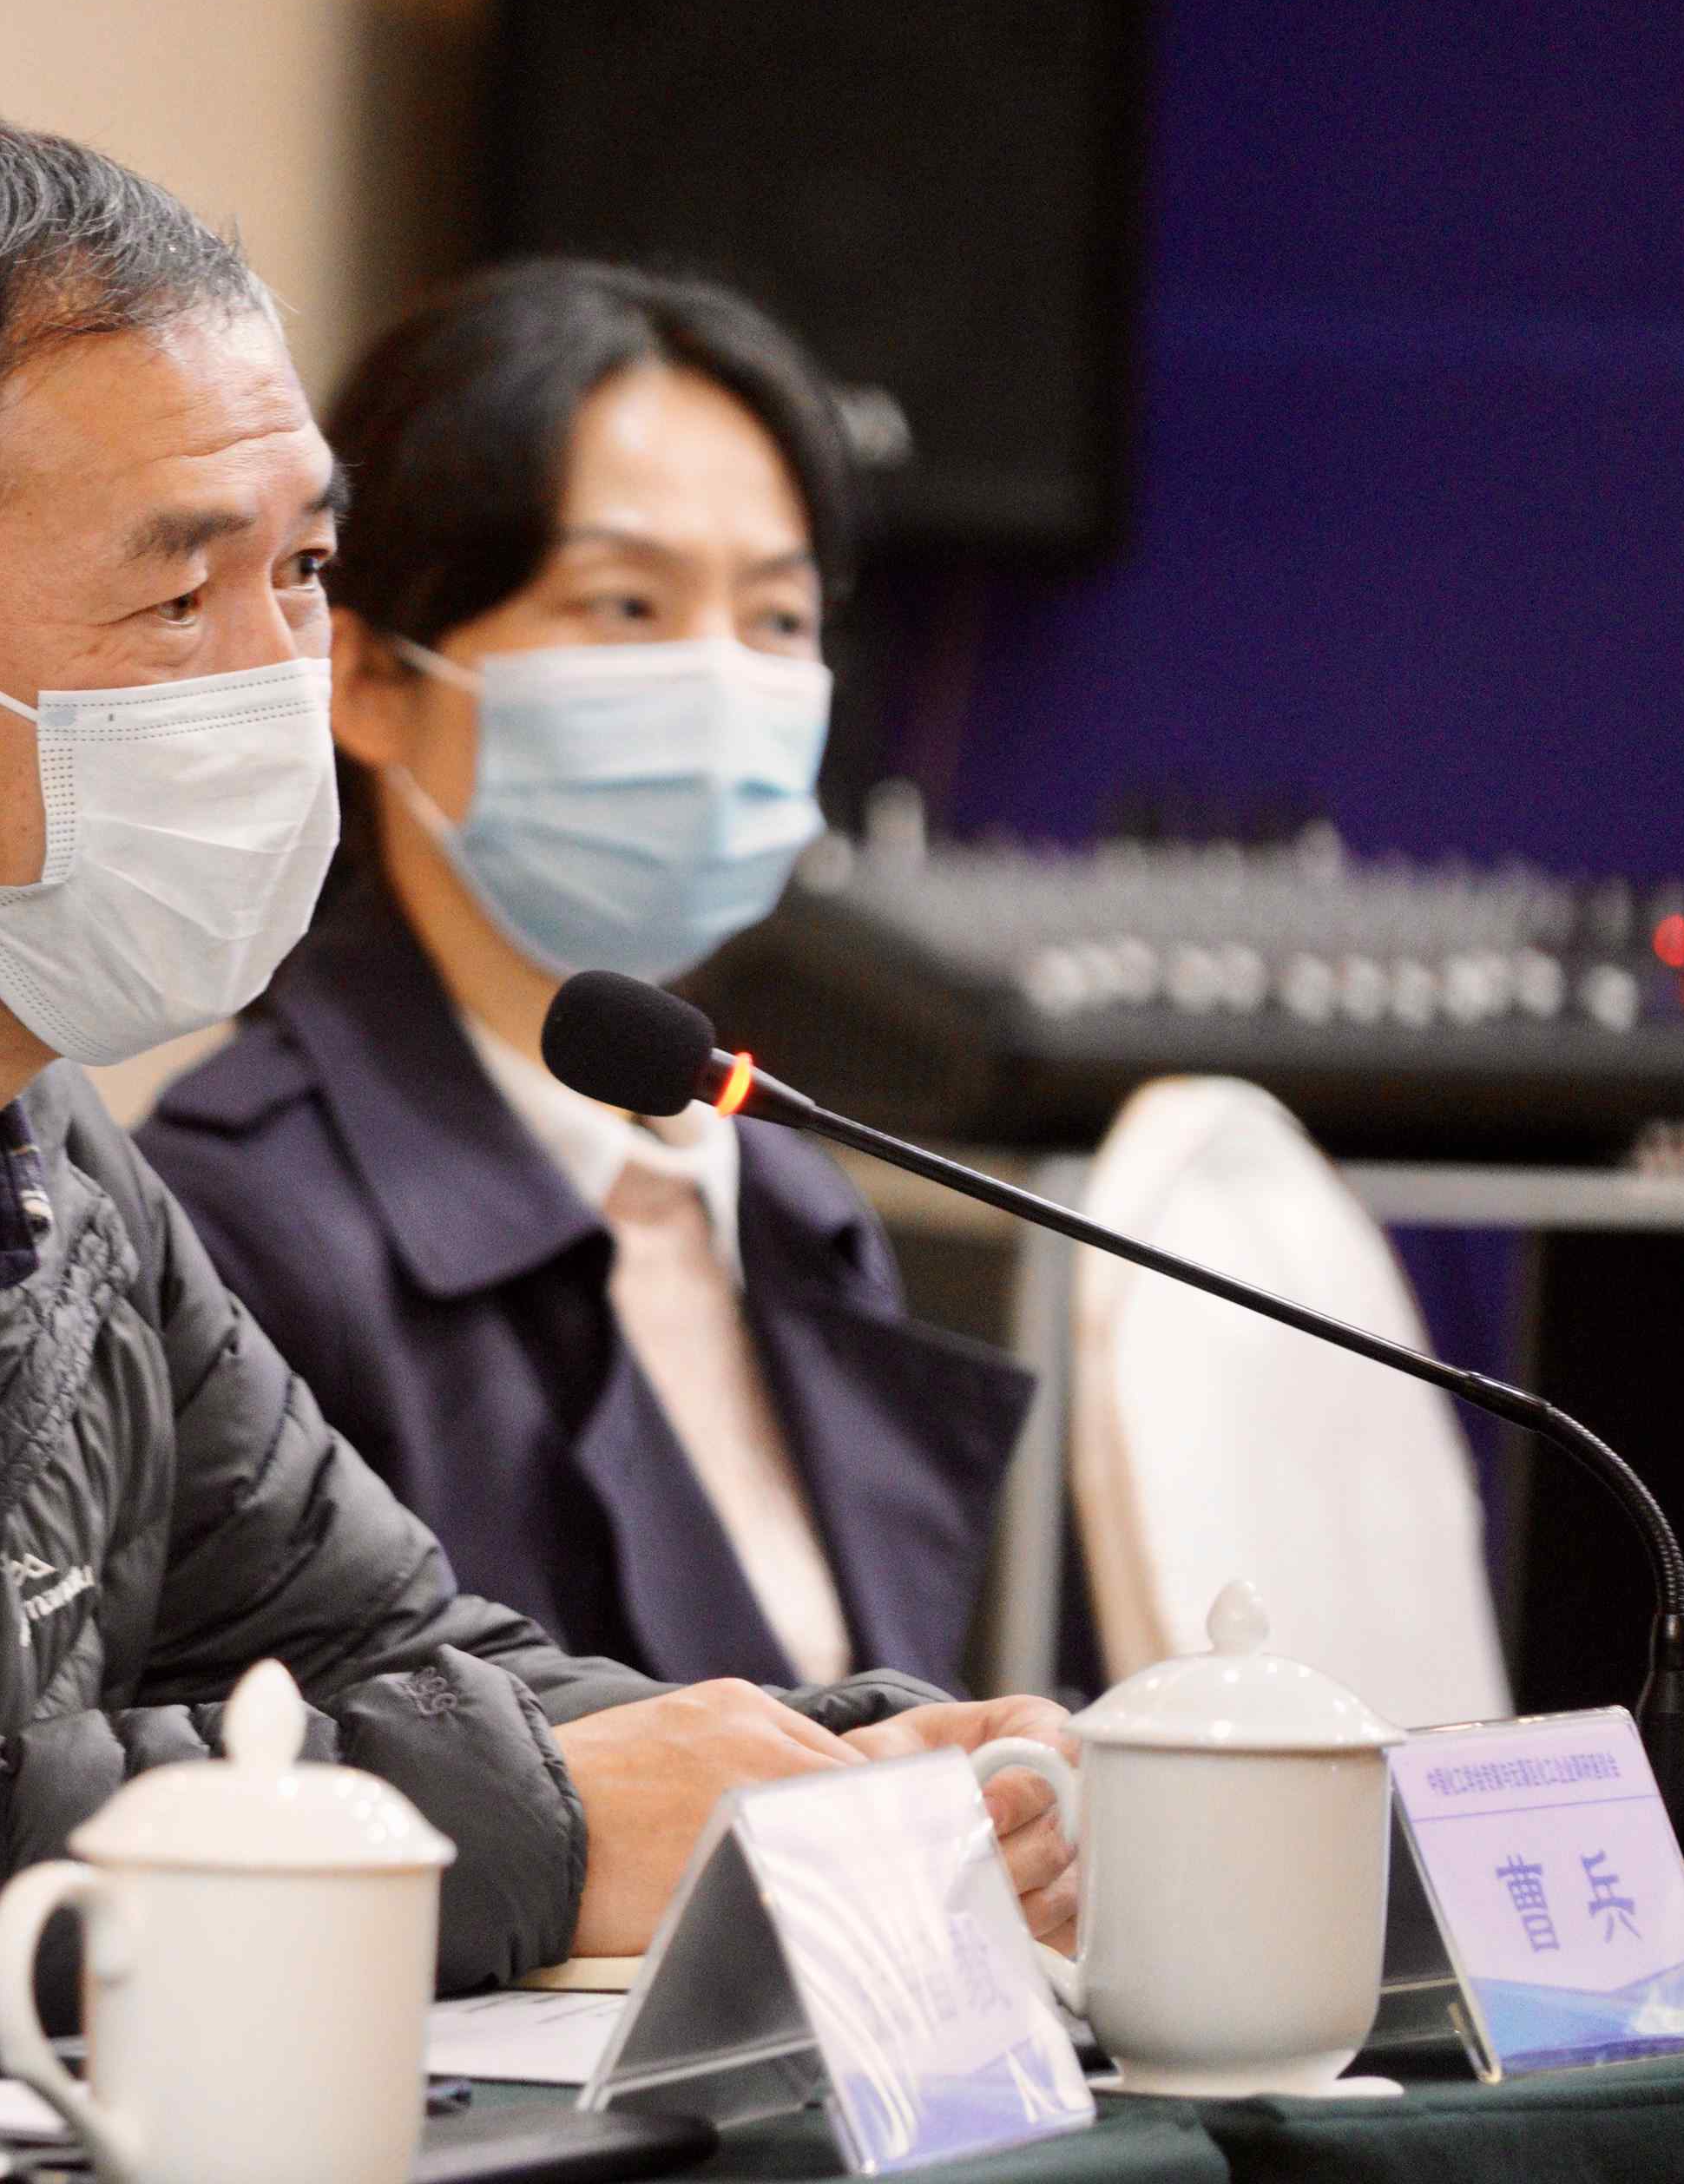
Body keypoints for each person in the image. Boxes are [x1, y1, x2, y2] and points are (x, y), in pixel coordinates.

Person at [0, 117, 1076, 2017]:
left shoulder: (31, 1130)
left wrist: (849, 1771)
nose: (279, 677)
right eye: (177, 601)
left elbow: (393, 1651)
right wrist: (548, 1818)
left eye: (302, 570)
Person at [139, 260, 1034, 1694]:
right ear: (367, 681)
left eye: (777, 619)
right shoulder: (235, 1221)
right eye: (625, 606)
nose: (718, 683)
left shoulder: (784, 1193)